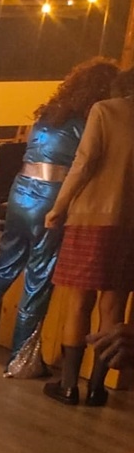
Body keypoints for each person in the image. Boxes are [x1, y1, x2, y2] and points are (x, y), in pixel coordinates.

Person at [0, 58, 119, 374]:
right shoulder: (88, 123)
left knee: (2, 269)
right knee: (38, 279)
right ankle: (22, 359)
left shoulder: (49, 116)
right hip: (52, 200)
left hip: (21, 194)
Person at [43, 67, 134, 406]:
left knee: (79, 302)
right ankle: (97, 388)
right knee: (114, 306)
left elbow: (84, 162)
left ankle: (69, 385)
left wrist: (58, 207)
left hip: (91, 216)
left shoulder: (105, 110)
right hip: (129, 224)